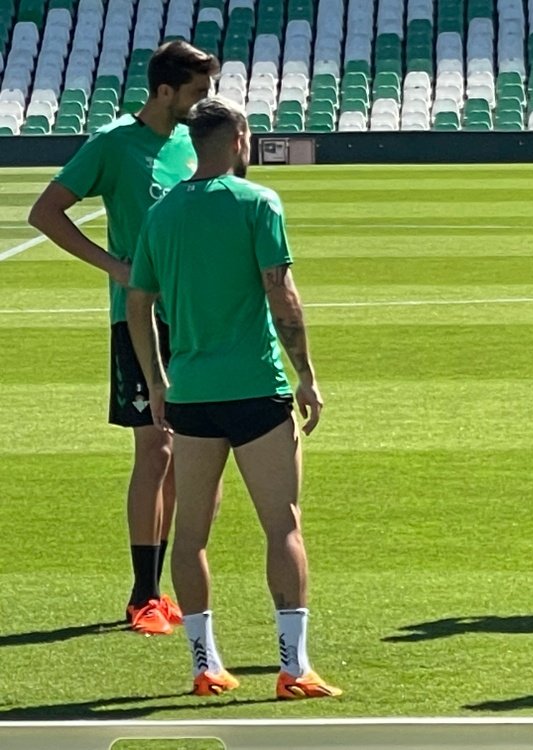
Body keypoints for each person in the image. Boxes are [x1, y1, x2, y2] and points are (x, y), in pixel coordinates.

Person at [126, 96, 340, 699]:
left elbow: (137, 303)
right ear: (240, 138)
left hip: (192, 395)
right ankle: (294, 669)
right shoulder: (258, 202)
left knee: (190, 534)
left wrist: (158, 381)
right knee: (283, 526)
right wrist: (308, 374)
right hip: (255, 388)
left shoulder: (161, 215)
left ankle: (205, 664)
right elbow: (283, 296)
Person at [28, 40, 218, 636]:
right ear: (165, 90)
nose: (203, 101)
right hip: (138, 317)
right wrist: (115, 266)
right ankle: (143, 594)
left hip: (195, 317)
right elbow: (47, 212)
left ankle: (160, 591)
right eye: (196, 91)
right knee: (155, 448)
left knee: (182, 452)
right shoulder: (113, 143)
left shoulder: (196, 141)